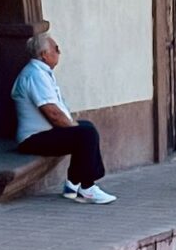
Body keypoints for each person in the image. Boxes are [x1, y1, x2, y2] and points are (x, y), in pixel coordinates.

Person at [11, 33, 117, 205]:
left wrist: (73, 126)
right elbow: (52, 112)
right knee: (85, 134)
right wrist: (72, 126)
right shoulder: (35, 75)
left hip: (43, 133)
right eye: (56, 49)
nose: (59, 52)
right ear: (44, 54)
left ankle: (72, 184)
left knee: (85, 128)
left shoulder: (41, 72)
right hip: (33, 138)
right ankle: (87, 188)